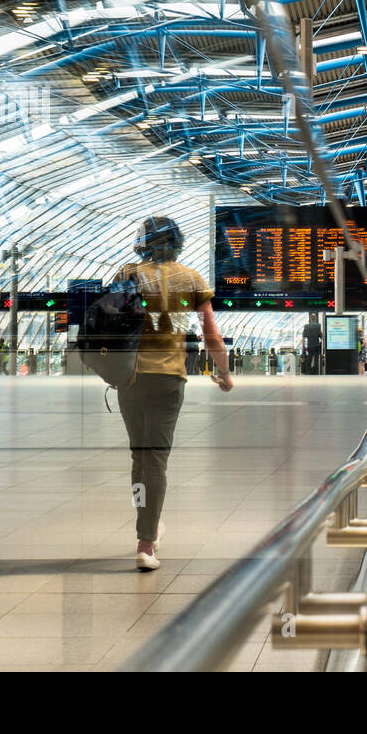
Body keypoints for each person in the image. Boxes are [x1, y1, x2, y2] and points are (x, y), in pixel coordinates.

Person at [115, 216, 232, 572]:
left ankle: (145, 525)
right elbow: (210, 331)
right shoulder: (191, 278)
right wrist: (223, 371)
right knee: (156, 460)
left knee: (140, 457)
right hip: (168, 379)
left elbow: (112, 319)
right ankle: (146, 542)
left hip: (130, 378)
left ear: (143, 241)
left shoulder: (128, 273)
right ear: (178, 242)